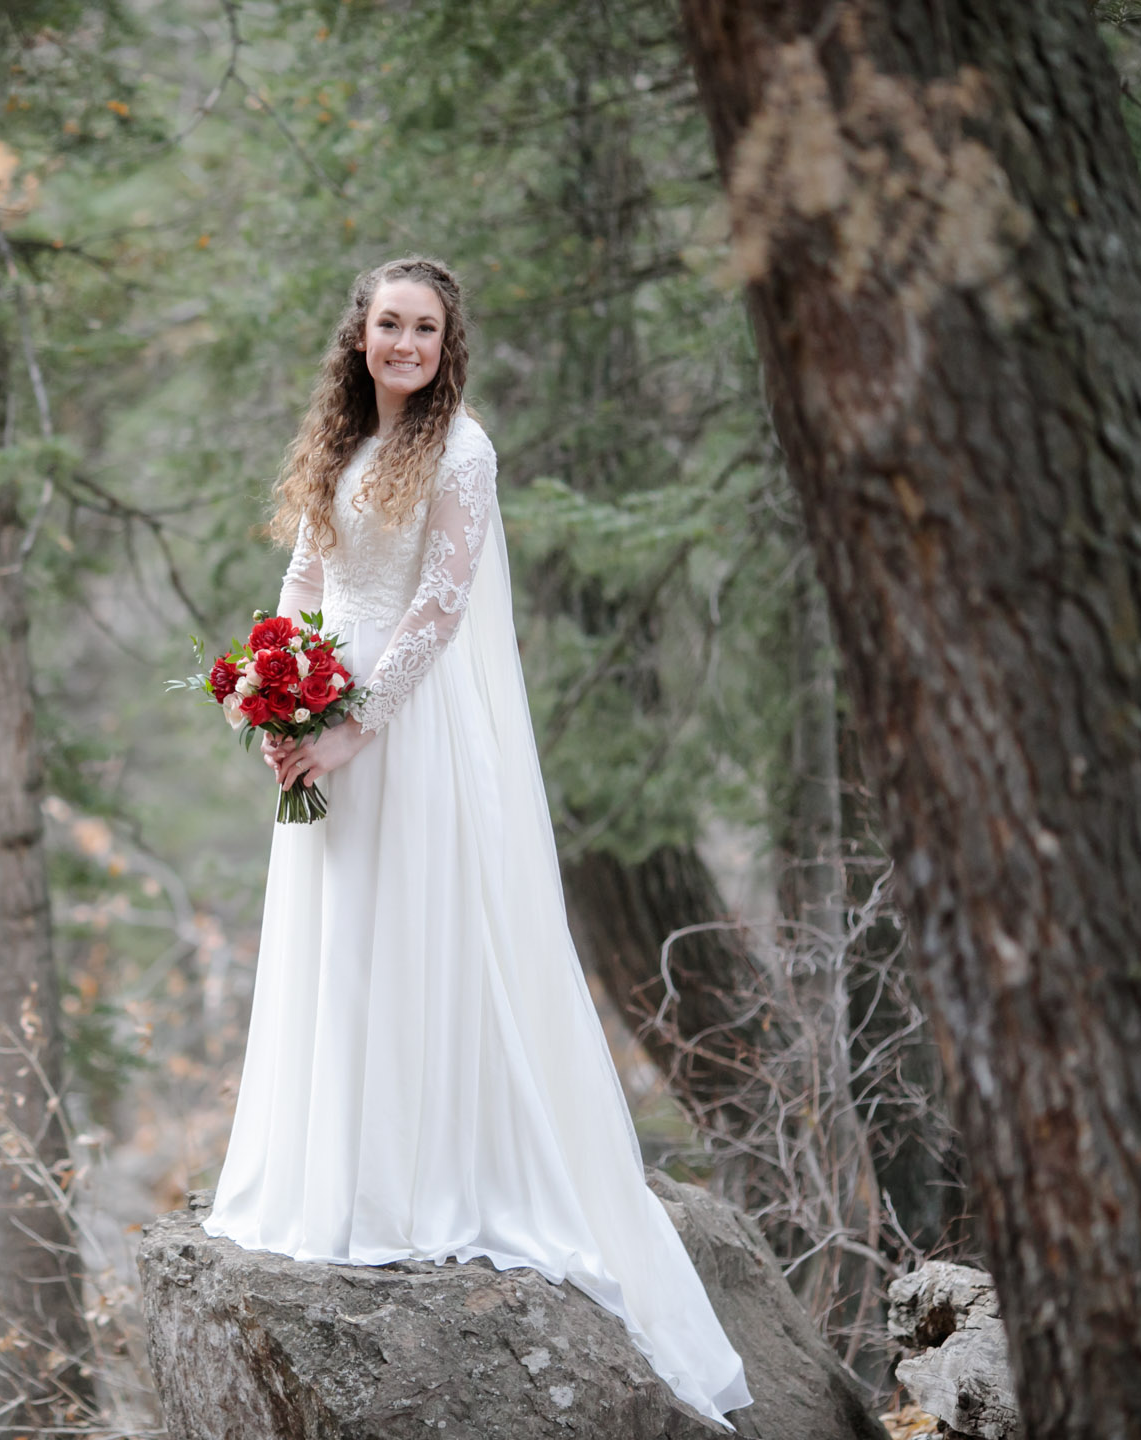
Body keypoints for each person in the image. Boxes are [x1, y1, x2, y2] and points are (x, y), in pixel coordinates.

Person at [204, 256, 753, 1425]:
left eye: (425, 329)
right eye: (388, 324)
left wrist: (354, 725)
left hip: (409, 730)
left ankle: (423, 1182)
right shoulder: (344, 443)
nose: (405, 343)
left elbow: (443, 606)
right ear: (360, 337)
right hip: (326, 719)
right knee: (338, 939)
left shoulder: (461, 450)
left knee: (411, 940)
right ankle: (334, 1174)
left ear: (449, 346)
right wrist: (277, 691)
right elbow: (308, 570)